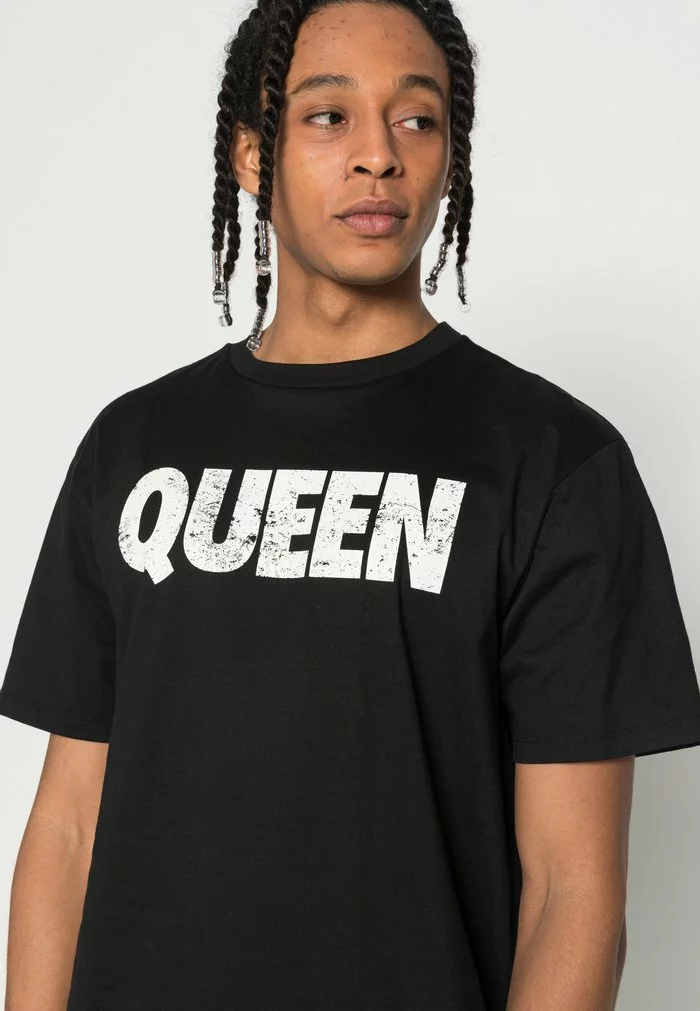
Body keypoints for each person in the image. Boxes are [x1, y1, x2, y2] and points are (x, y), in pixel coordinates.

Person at [1, 1, 699, 1008]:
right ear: (252, 154)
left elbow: (573, 892)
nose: (379, 155)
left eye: (417, 119)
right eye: (329, 116)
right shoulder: (134, 448)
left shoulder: (556, 462)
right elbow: (67, 829)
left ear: (450, 156)